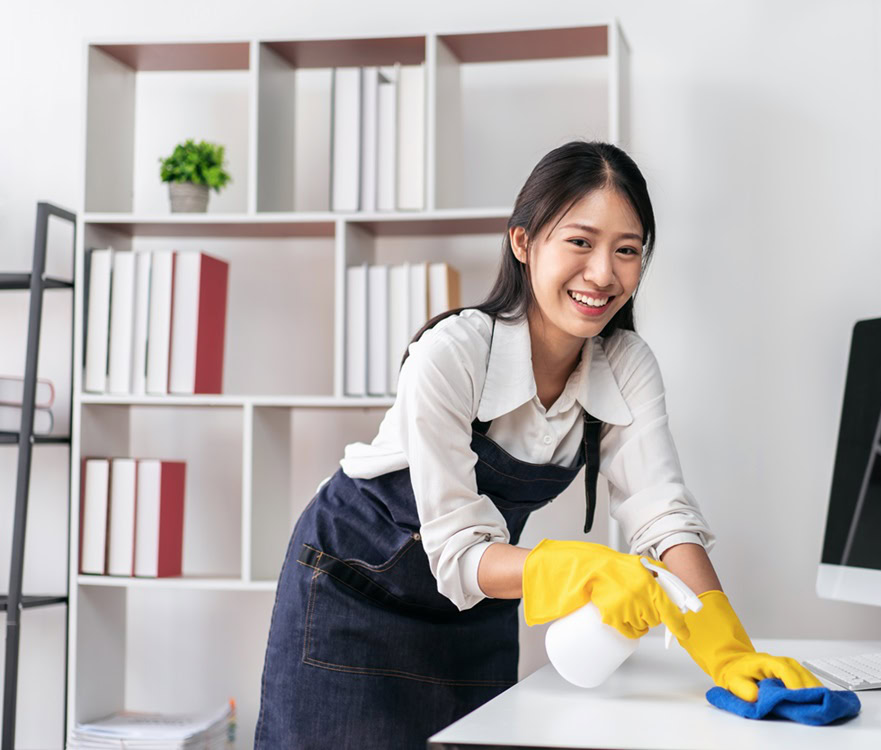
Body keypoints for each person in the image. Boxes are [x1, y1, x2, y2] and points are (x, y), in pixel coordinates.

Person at [254, 141, 820, 749]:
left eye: (626, 251)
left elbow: (662, 513)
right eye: (580, 241)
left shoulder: (626, 365)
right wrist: (581, 568)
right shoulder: (453, 354)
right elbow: (457, 553)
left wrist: (727, 649)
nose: (603, 274)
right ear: (523, 243)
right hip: (352, 595)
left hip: (475, 609)